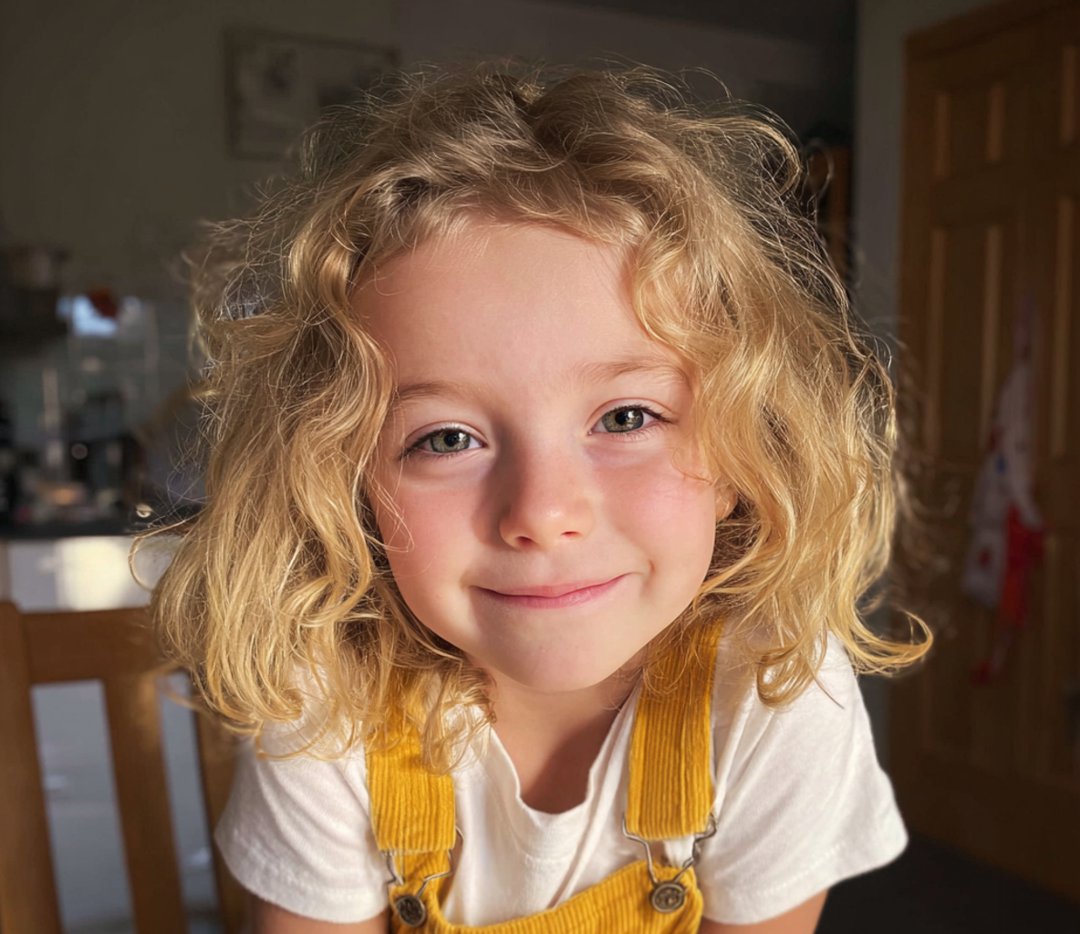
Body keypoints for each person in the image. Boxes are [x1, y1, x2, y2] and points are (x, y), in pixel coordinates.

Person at [149, 65, 930, 933]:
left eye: (626, 417)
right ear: (341, 484)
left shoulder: (775, 685)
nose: (542, 512)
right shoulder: (325, 692)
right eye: (446, 438)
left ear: (747, 449)